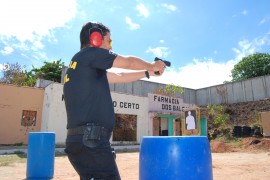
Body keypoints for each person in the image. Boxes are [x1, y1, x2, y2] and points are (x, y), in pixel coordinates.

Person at [63, 21, 166, 180]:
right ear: (95, 38)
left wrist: (148, 73)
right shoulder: (90, 53)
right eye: (109, 41)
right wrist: (153, 65)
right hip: (91, 141)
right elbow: (128, 62)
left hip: (80, 141)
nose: (110, 46)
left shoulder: (82, 64)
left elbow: (120, 76)